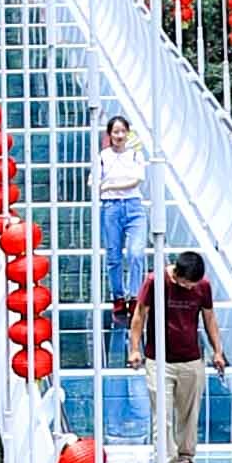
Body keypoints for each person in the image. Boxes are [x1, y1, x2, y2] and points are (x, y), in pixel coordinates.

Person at [159, 241, 218, 463]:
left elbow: (209, 318)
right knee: (163, 416)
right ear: (176, 274)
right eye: (185, 283)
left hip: (191, 357)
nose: (189, 288)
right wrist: (134, 348)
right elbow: (140, 314)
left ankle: (185, 457)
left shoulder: (202, 287)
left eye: (192, 284)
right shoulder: (157, 281)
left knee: (189, 413)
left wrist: (218, 351)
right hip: (160, 359)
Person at [96, 109, 148, 358]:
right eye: (115, 132)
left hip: (133, 207)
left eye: (122, 131)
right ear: (109, 135)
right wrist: (107, 186)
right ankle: (119, 296)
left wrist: (111, 184)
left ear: (127, 133)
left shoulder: (136, 154)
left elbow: (136, 180)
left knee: (137, 253)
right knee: (114, 256)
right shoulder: (103, 157)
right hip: (111, 209)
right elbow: (95, 184)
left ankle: (135, 297)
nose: (119, 135)